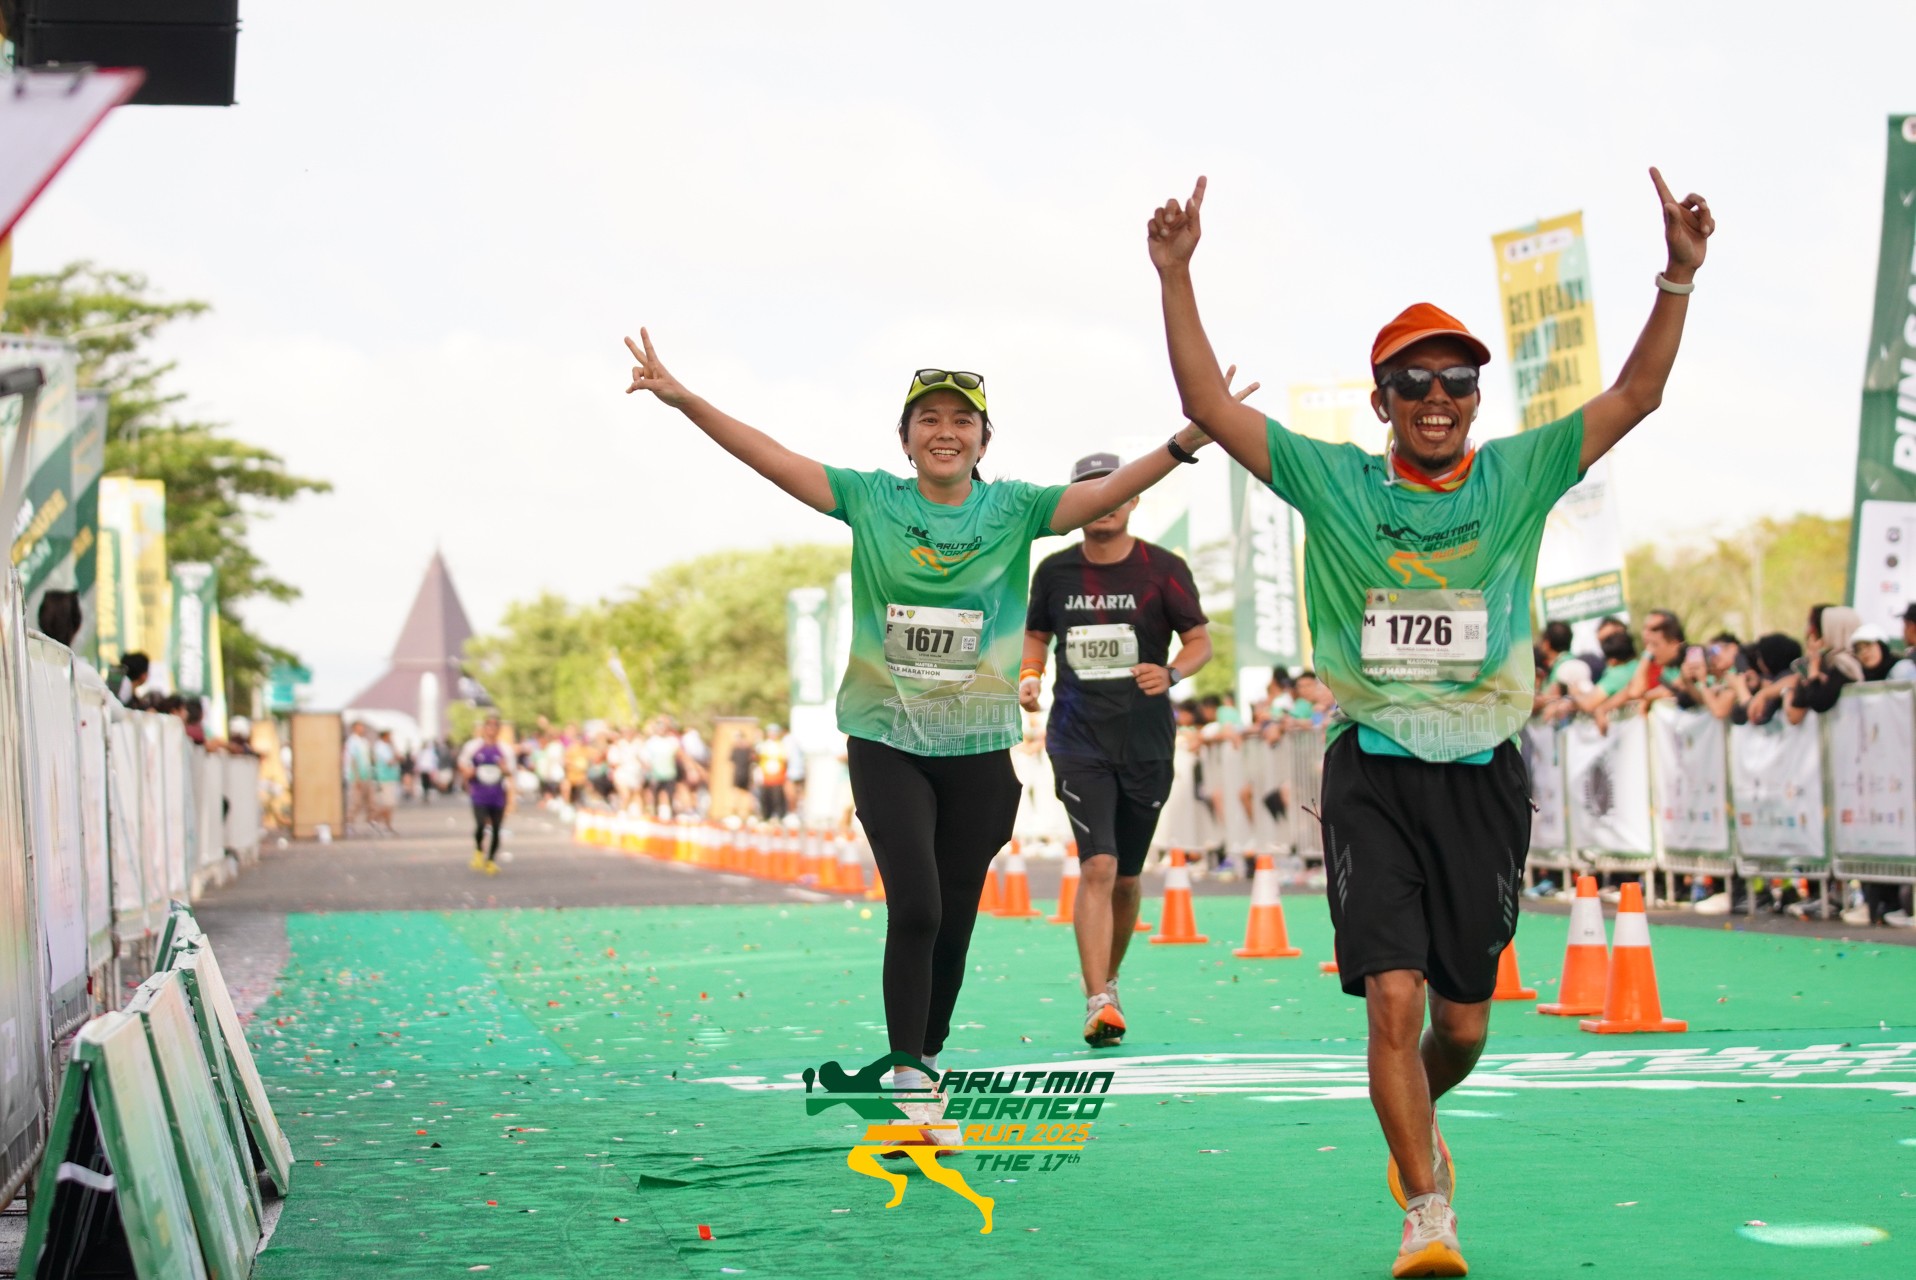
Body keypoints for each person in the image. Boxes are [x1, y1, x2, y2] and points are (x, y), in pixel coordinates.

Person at [1147, 166, 1712, 1276]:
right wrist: (1176, 273)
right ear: (1381, 402)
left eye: (1457, 378)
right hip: (1371, 766)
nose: (1437, 395)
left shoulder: (1519, 473)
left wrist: (1676, 277)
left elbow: (1637, 394)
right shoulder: (1333, 482)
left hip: (1483, 772)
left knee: (1459, 1024)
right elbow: (1210, 406)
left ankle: (1415, 1120)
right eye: (1413, 380)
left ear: (1477, 398)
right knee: (1392, 1001)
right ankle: (1426, 1206)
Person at [623, 334, 1222, 1151]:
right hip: (887, 736)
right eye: (929, 419)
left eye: (962, 420)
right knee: (917, 907)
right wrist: (686, 399)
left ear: (983, 440)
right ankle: (908, 1079)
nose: (946, 431)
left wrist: (1188, 438)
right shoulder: (870, 499)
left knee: (957, 918)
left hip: (977, 748)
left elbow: (1109, 492)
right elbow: (771, 457)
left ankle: (928, 1056)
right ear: (905, 439)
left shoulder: (1014, 510)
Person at [1020, 450, 1214, 1046]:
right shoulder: (1054, 571)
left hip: (1146, 741)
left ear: (1134, 498)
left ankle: (1109, 980)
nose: (1104, 501)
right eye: (1090, 490)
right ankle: (1096, 1000)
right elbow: (1036, 635)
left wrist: (1173, 673)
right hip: (1077, 738)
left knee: (1127, 877)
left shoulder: (1164, 568)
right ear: (1075, 503)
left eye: (1115, 489)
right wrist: (1029, 676)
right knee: (1098, 864)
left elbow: (1199, 641)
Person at [459, 715, 512, 875]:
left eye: (495, 726)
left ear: (499, 730)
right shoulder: (473, 746)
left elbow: (511, 772)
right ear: (484, 728)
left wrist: (504, 769)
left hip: (497, 793)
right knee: (481, 824)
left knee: (496, 828)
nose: (491, 729)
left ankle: (491, 861)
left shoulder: (505, 749)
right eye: (489, 726)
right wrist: (467, 773)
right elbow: (462, 763)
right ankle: (478, 850)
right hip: (479, 792)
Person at [343, 721, 377, 836]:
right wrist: (356, 777)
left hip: (367, 775)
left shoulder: (364, 742)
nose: (362, 729)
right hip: (356, 777)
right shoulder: (352, 742)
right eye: (360, 727)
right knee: (355, 802)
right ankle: (349, 824)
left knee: (371, 802)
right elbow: (352, 761)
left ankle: (371, 822)